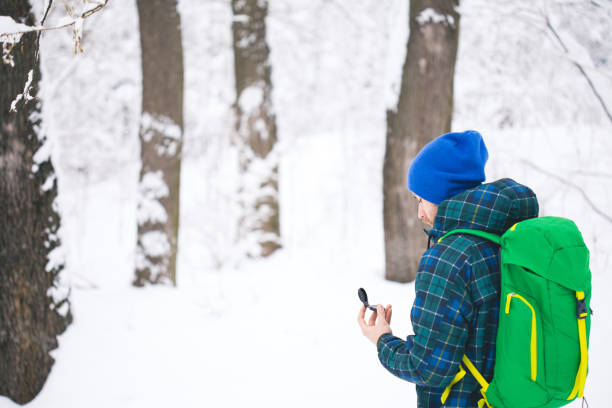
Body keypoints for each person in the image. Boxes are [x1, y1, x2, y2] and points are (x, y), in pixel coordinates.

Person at [357, 130, 539, 408]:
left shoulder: (450, 259)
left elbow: (428, 367)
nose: (420, 213)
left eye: (420, 199)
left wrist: (382, 339)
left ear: (441, 193)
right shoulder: (512, 238)